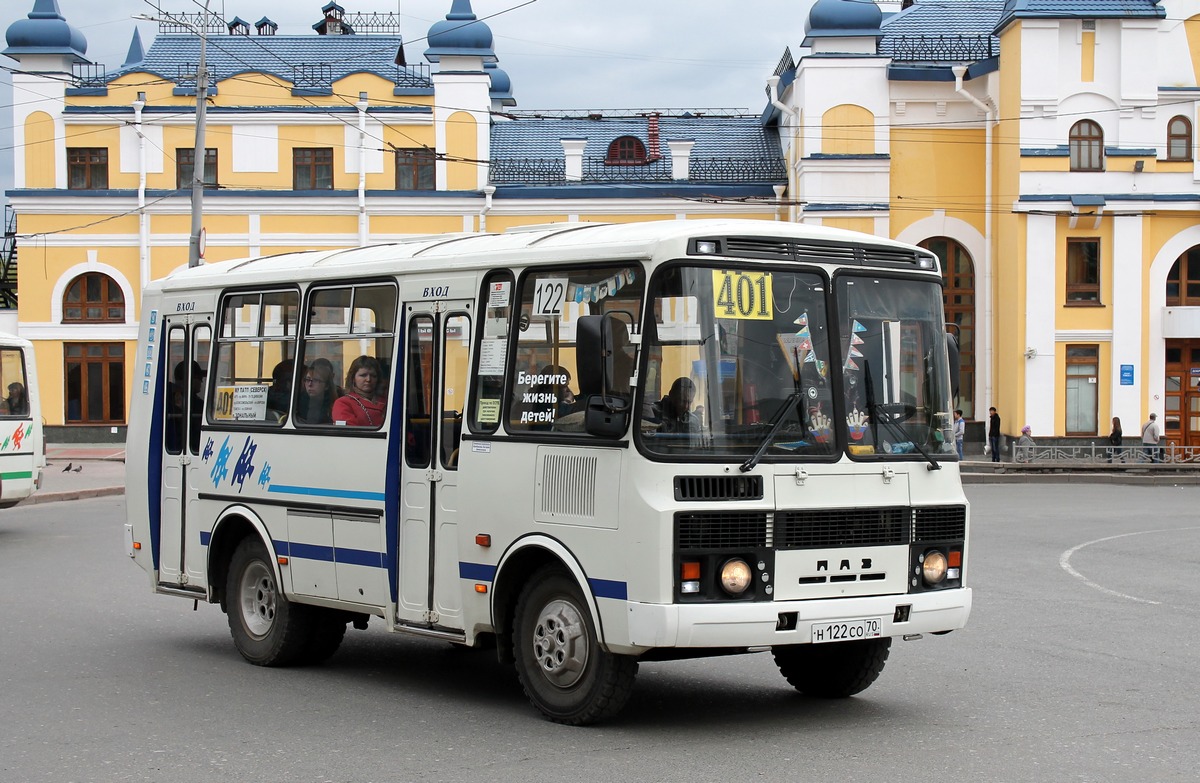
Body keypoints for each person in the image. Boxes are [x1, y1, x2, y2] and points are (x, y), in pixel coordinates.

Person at [332, 355, 386, 427]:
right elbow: (351, 433)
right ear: (353, 378)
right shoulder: (343, 403)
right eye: (363, 375)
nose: (368, 379)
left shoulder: (387, 401)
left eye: (373, 375)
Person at [296, 358, 337, 425]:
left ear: (326, 385)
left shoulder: (334, 404)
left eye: (315, 380)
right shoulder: (297, 402)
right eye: (307, 379)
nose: (310, 384)